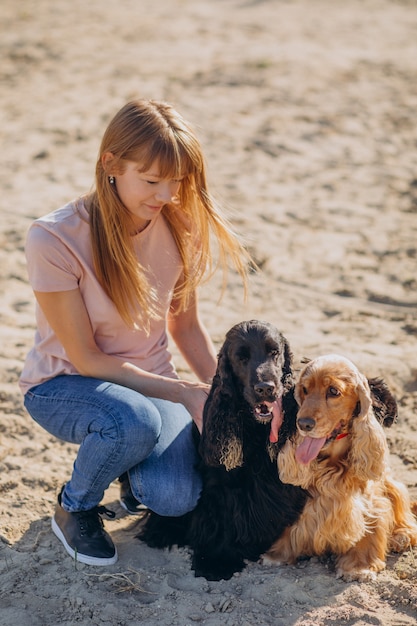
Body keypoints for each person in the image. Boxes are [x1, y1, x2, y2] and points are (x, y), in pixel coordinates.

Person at [19, 99, 250, 566]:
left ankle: (130, 466)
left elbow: (186, 328)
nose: (165, 194)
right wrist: (185, 393)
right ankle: (75, 507)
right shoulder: (54, 238)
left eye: (177, 180)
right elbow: (86, 359)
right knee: (133, 422)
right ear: (110, 164)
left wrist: (224, 394)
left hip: (152, 385)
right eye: (150, 180)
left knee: (174, 498)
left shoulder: (180, 223)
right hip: (67, 386)